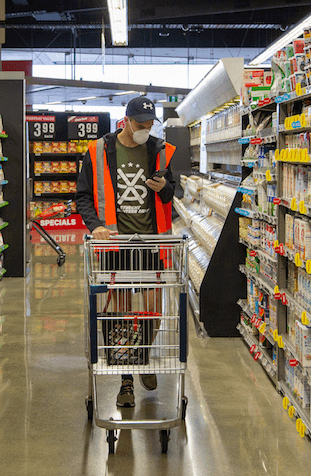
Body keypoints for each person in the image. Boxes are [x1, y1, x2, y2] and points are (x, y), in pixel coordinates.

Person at [75, 96, 177, 408]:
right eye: (139, 125)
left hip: (150, 242)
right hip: (115, 243)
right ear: (126, 120)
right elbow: (82, 197)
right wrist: (95, 227)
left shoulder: (159, 150)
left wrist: (164, 189)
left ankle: (142, 353)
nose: (144, 130)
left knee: (152, 306)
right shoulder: (98, 151)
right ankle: (126, 380)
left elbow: (174, 192)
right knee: (119, 312)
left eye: (149, 126)